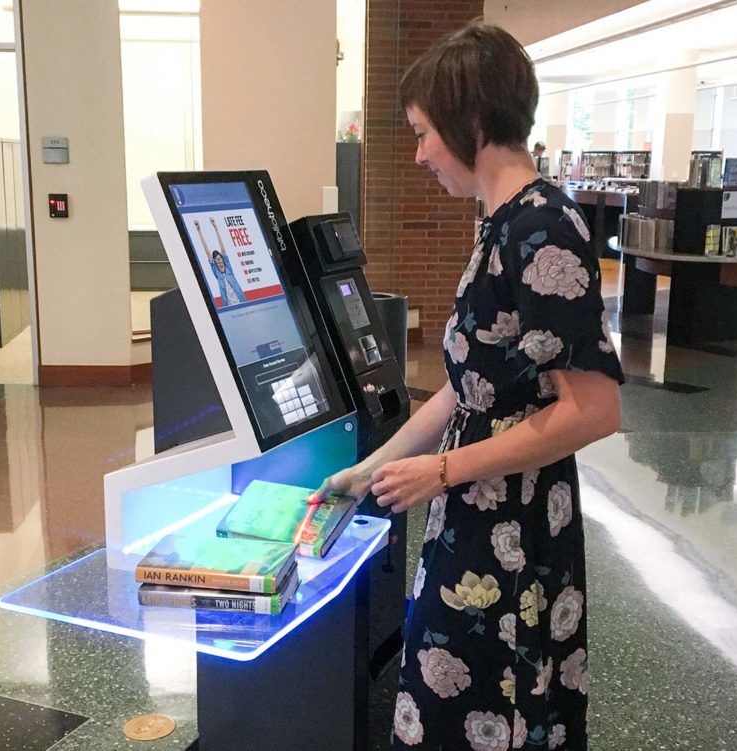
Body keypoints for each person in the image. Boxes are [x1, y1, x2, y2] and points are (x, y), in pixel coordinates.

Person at [321, 23, 623, 750]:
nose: (421, 153)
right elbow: (472, 385)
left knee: (487, 710)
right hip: (480, 523)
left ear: (474, 123)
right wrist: (375, 466)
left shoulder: (543, 228)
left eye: (426, 133)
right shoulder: (500, 224)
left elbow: (597, 408)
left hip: (512, 538)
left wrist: (445, 469)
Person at [193, 217, 247, 306]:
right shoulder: (216, 273)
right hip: (228, 306)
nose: (219, 262)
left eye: (220, 259)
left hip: (241, 301)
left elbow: (222, 248)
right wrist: (199, 231)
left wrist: (216, 228)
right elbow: (207, 252)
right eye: (217, 260)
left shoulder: (228, 268)